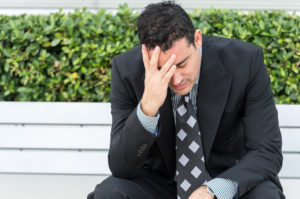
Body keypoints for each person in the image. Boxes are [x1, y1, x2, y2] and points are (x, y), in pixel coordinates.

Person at [88, 1, 284, 199]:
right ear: (146, 53)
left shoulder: (245, 61)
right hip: (161, 185)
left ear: (197, 39)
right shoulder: (127, 71)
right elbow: (122, 168)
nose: (176, 80)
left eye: (182, 64)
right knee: (109, 192)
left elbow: (267, 151)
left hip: (228, 181)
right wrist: (148, 107)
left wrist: (214, 190)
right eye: (163, 69)